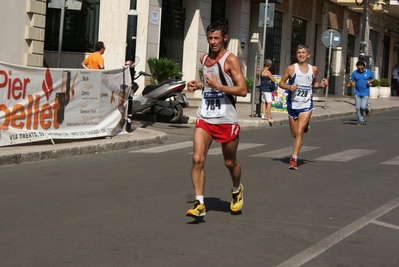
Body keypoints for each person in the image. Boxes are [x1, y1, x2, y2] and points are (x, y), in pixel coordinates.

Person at [185, 21, 247, 218]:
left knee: (229, 162)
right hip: (205, 117)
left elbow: (243, 90)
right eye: (210, 38)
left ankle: (237, 190)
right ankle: (200, 203)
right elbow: (209, 83)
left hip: (226, 118)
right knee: (197, 158)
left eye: (216, 38)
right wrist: (198, 85)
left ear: (225, 39)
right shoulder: (203, 59)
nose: (212, 42)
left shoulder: (231, 60)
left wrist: (218, 87)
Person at [279, 44, 328, 170]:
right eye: (299, 52)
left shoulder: (314, 69)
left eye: (303, 52)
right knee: (294, 133)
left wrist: (321, 85)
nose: (301, 54)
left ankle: (293, 158)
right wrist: (289, 87)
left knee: (300, 131)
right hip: (292, 104)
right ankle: (305, 126)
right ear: (296, 55)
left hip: (306, 104)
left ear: (308, 55)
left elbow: (314, 84)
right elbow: (281, 83)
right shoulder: (291, 69)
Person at [349, 61, 375, 126]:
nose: (360, 69)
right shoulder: (355, 73)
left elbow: (373, 79)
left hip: (365, 92)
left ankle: (367, 109)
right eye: (359, 68)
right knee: (358, 108)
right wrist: (351, 84)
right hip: (357, 92)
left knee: (362, 106)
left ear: (364, 67)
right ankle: (360, 120)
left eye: (361, 68)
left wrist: (370, 81)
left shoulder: (368, 72)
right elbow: (351, 80)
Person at [260, 59, 275, 125]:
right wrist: (270, 81)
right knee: (269, 102)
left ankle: (263, 115)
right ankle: (269, 116)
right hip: (267, 89)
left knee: (263, 101)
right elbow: (273, 79)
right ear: (269, 65)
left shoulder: (262, 70)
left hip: (262, 88)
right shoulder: (267, 72)